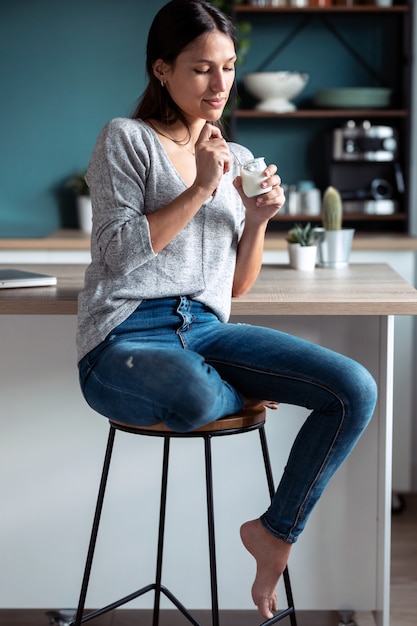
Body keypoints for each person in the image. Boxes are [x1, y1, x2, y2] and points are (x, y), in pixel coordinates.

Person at [76, 0, 377, 620]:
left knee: (354, 387)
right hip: (126, 339)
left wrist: (260, 219)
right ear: (162, 70)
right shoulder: (125, 140)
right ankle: (234, 391)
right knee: (189, 395)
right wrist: (200, 188)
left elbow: (233, 287)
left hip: (207, 330)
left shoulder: (234, 156)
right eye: (201, 69)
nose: (220, 85)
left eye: (229, 67)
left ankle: (275, 533)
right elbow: (116, 255)